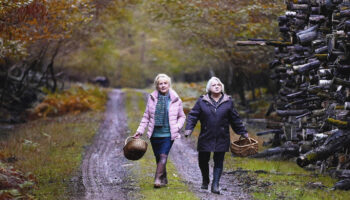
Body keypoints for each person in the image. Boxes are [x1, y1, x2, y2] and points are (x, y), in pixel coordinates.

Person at [184, 77, 248, 194]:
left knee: (219, 160)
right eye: (214, 85)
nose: (217, 86)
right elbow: (193, 115)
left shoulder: (228, 101)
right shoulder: (202, 101)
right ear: (209, 88)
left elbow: (235, 118)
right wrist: (189, 128)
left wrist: (243, 132)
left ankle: (215, 185)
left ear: (222, 86)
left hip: (222, 135)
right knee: (203, 160)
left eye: (218, 84)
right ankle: (205, 179)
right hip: (206, 135)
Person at [133, 73, 186, 188]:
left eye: (165, 83)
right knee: (159, 158)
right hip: (155, 134)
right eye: (160, 84)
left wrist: (177, 127)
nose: (163, 85)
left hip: (168, 134)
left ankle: (157, 179)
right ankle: (164, 178)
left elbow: (182, 116)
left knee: (163, 156)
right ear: (157, 86)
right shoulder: (152, 98)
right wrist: (140, 131)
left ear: (169, 85)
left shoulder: (176, 99)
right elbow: (146, 116)